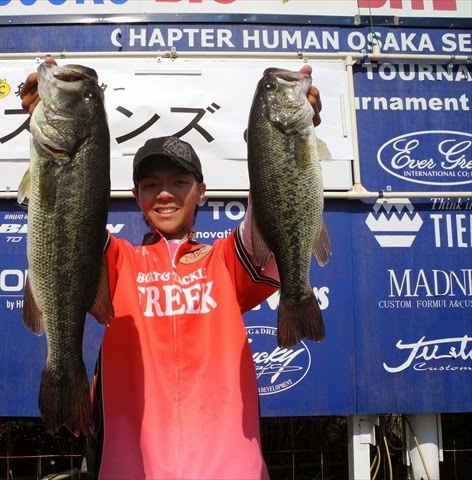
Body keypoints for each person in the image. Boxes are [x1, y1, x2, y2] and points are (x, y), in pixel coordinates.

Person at [21, 63, 322, 479]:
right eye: (150, 185)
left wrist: (279, 147)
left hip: (232, 469)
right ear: (135, 196)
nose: (164, 193)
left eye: (180, 181)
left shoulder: (226, 260)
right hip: (132, 468)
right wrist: (43, 120)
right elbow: (65, 226)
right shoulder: (118, 260)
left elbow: (276, 208)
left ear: (202, 191)